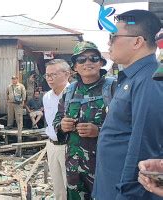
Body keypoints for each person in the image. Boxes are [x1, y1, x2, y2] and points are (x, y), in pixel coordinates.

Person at [93, 10, 163, 200]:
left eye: (113, 36)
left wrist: (128, 194)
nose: (109, 43)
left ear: (137, 41)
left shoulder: (149, 79)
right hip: (110, 186)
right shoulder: (130, 78)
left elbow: (145, 146)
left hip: (125, 192)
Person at [53, 41, 112, 200]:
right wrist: (62, 125)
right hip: (74, 168)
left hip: (104, 167)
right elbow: (57, 120)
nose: (88, 63)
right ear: (75, 66)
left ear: (100, 63)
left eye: (93, 58)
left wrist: (98, 131)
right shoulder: (70, 91)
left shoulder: (113, 88)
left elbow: (128, 126)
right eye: (81, 60)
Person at [43, 59, 71, 200]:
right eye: (47, 75)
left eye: (53, 74)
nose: (49, 78)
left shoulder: (74, 95)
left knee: (72, 187)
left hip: (69, 146)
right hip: (51, 145)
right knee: (58, 188)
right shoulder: (47, 97)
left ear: (67, 74)